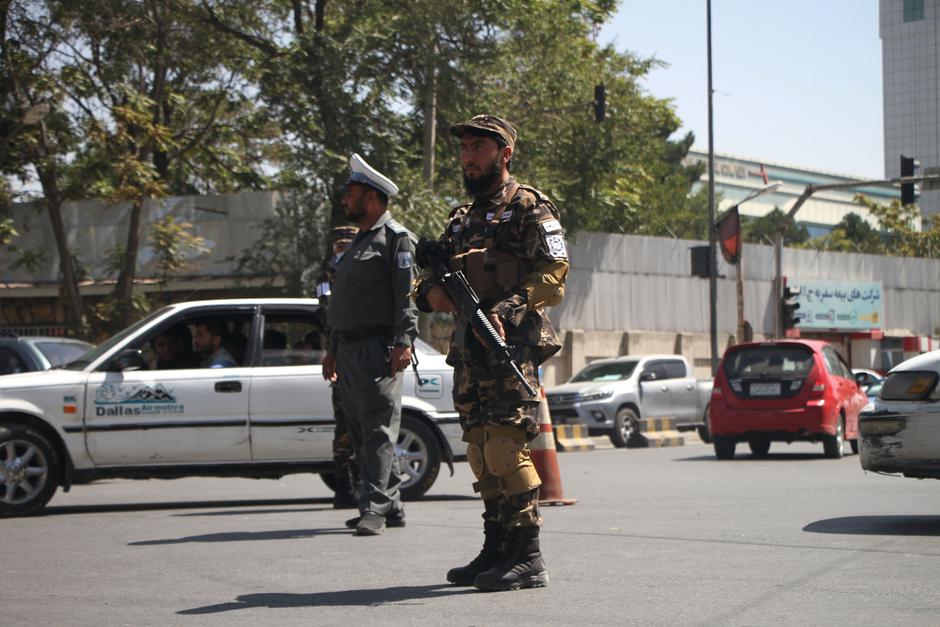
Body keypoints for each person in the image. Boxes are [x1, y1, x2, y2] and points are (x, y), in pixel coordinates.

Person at [415, 114, 568, 591]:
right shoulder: (461, 218)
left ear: (505, 153)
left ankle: (528, 554)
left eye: (479, 147)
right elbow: (428, 281)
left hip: (510, 349)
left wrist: (508, 308)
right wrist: (428, 296)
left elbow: (554, 272)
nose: (468, 156)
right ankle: (496, 544)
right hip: (468, 352)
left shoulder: (528, 207)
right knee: (481, 450)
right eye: (464, 148)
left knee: (506, 446)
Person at [322, 153, 418, 536]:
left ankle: (374, 509)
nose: (345, 199)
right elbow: (341, 304)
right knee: (362, 432)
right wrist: (332, 349)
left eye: (352, 192)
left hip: (379, 347)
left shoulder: (396, 240)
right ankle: (390, 505)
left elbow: (407, 297)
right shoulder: (358, 242)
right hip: (347, 351)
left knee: (378, 430)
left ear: (373, 197)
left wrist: (404, 341)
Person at [315, 225, 361, 509]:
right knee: (344, 426)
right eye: (339, 248)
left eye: (348, 247)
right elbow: (326, 311)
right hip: (341, 359)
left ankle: (367, 487)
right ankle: (344, 488)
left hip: (365, 359)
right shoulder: (327, 278)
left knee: (369, 427)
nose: (342, 252)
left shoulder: (364, 271)